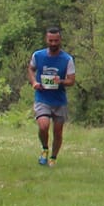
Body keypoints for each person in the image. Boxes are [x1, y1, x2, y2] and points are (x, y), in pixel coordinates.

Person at [28, 27, 76, 166]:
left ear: (60, 40)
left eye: (56, 40)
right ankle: (44, 149)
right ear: (46, 40)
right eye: (51, 40)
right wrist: (34, 82)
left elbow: (71, 80)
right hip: (42, 97)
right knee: (43, 126)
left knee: (58, 131)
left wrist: (60, 81)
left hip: (59, 100)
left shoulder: (67, 59)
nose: (53, 43)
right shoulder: (38, 55)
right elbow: (31, 69)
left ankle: (53, 158)